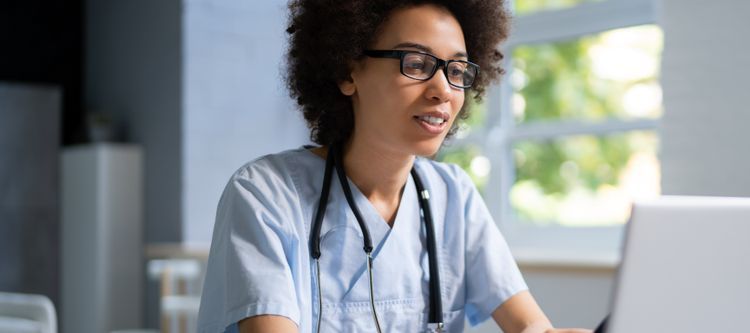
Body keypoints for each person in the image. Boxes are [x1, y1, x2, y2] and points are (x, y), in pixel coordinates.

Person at [196, 1, 592, 332]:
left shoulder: (452, 194)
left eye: (456, 70)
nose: (443, 90)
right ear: (347, 72)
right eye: (416, 63)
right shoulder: (264, 195)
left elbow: (530, 326)